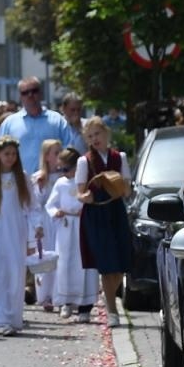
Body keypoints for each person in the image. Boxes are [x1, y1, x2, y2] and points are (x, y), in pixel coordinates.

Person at [0, 136, 45, 337]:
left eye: (13, 154)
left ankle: (13, 317)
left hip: (16, 229)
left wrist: (37, 226)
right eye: (6, 154)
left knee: (14, 271)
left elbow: (32, 205)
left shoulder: (22, 176)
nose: (10, 157)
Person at [73, 116, 132, 326]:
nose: (94, 139)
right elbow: (80, 192)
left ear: (106, 133)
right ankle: (112, 310)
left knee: (120, 266)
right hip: (96, 215)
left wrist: (122, 187)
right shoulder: (84, 161)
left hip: (116, 212)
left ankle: (108, 299)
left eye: (97, 133)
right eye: (90, 136)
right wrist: (85, 197)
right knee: (107, 265)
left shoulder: (119, 158)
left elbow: (127, 189)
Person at [45, 146, 97, 321]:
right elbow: (50, 204)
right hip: (66, 226)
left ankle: (85, 307)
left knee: (84, 264)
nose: (63, 172)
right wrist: (56, 212)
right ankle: (66, 303)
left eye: (66, 169)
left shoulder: (86, 182)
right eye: (60, 169)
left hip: (83, 224)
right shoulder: (61, 184)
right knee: (65, 263)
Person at [0, 77, 81, 177]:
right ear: (20, 96)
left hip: (52, 182)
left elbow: (70, 150)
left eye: (34, 91)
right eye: (25, 92)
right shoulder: (9, 123)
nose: (30, 95)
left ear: (41, 93)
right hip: (19, 183)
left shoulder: (57, 121)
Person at [30, 138, 64, 312]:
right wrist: (41, 188)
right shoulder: (38, 177)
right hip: (44, 220)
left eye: (60, 152)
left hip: (59, 219)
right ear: (47, 156)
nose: (59, 156)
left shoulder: (64, 176)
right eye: (55, 153)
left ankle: (60, 294)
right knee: (45, 256)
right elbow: (35, 202)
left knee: (60, 256)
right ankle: (44, 295)